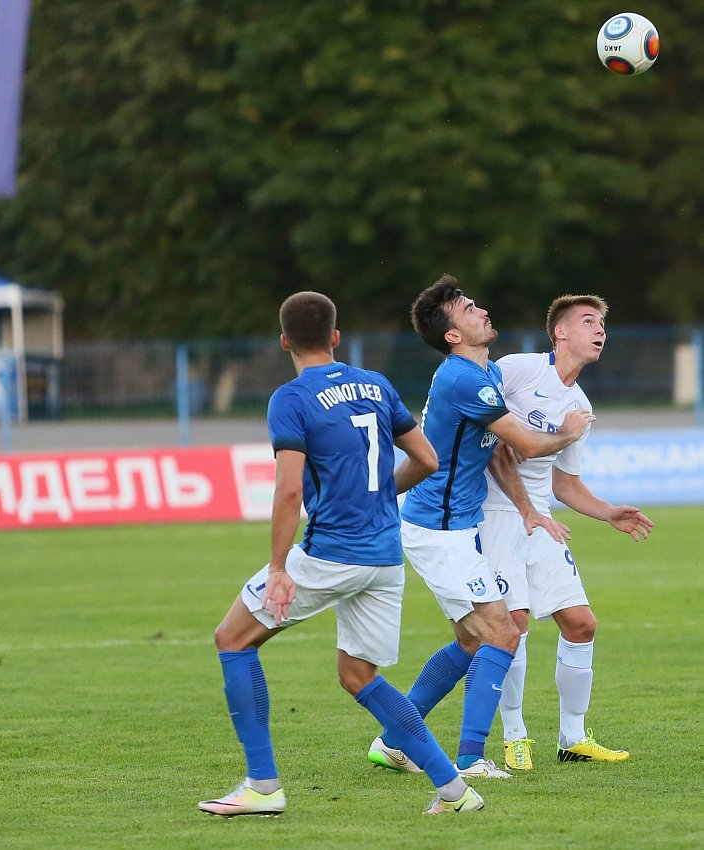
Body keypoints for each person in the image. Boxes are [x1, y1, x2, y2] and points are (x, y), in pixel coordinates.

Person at [198, 291, 485, 818]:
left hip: (331, 552)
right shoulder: (375, 384)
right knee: (358, 675)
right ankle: (454, 790)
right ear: (335, 337)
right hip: (385, 555)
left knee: (232, 639)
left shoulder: (291, 398)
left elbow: (289, 490)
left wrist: (279, 568)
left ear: (284, 342)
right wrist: (379, 497)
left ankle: (263, 785)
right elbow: (427, 458)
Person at [367, 274, 593, 780]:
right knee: (501, 632)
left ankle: (394, 739)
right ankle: (470, 760)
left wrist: (527, 510)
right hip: (438, 530)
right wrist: (567, 432)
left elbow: (499, 454)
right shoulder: (464, 380)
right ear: (452, 334)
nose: (482, 310)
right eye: (469, 309)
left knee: (474, 641)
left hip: (455, 527)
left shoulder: (484, 370)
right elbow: (528, 445)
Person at [479, 294, 653, 770]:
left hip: (541, 518)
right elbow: (482, 423)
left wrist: (609, 512)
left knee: (581, 623)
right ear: (560, 332)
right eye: (588, 321)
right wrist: (557, 435)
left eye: (602, 325)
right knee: (512, 625)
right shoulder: (518, 370)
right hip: (494, 513)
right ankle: (515, 736)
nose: (600, 331)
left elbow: (565, 484)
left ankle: (572, 738)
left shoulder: (580, 406)